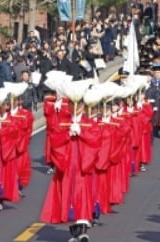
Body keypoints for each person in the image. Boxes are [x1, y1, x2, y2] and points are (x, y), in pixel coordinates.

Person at [41, 100, 101, 242]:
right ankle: (76, 231)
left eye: (80, 105)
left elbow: (96, 141)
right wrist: (67, 134)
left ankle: (82, 230)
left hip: (81, 166)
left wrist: (82, 133)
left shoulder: (90, 124)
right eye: (74, 105)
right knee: (68, 194)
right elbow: (54, 140)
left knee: (81, 195)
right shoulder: (62, 123)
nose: (77, 108)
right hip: (67, 166)